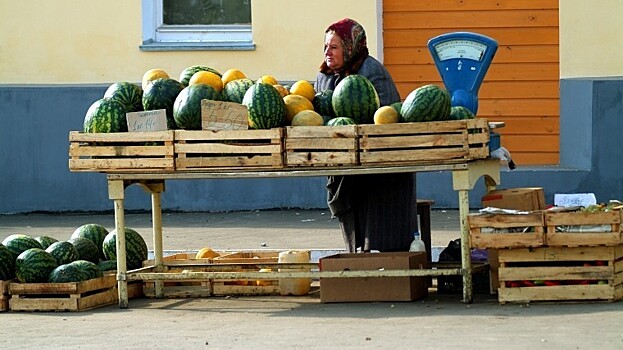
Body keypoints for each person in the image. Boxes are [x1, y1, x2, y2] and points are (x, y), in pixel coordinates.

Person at [315, 18, 418, 253]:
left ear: (351, 48)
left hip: (381, 168)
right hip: (344, 162)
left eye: (334, 47)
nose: (327, 53)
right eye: (325, 47)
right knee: (355, 233)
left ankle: (389, 269)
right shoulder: (323, 76)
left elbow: (386, 117)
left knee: (381, 232)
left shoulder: (372, 72)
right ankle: (359, 267)